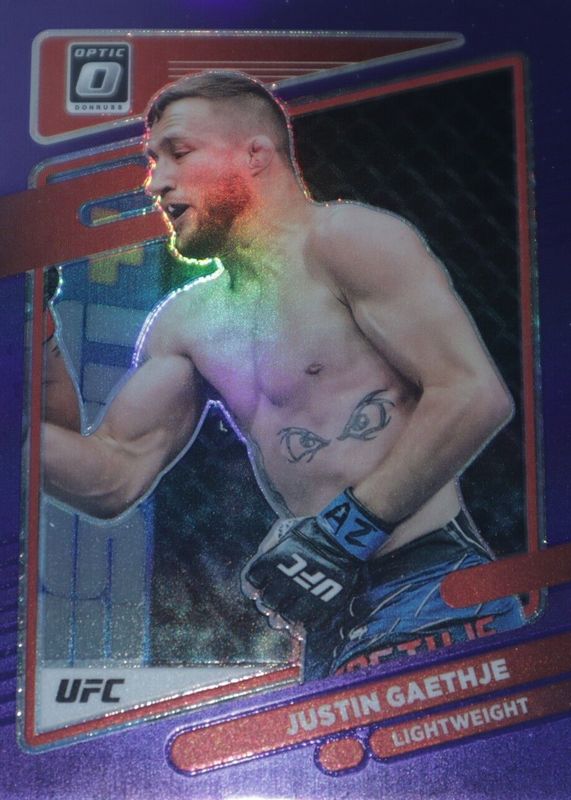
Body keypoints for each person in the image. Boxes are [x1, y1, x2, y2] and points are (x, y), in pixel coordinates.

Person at [43, 70, 524, 681]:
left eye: (178, 153)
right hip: (325, 617)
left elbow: (474, 394)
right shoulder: (186, 322)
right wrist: (32, 339)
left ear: (256, 154)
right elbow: (113, 474)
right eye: (152, 160)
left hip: (427, 586)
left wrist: (339, 537)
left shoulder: (345, 240)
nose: (155, 181)